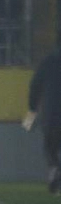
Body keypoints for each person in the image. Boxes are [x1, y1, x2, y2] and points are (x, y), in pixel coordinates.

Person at [24, 47, 61, 194]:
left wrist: (31, 111)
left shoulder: (47, 62)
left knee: (50, 147)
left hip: (51, 116)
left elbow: (35, 86)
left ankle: (54, 168)